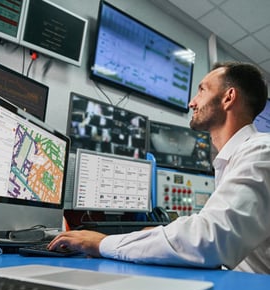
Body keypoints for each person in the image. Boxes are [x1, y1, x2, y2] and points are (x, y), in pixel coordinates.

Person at [48, 62, 270, 274]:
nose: (192, 102)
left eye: (202, 90)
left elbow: (209, 238)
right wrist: (159, 236)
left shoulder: (261, 151)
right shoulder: (235, 159)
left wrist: (103, 244)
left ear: (228, 97)